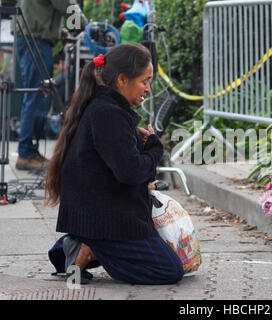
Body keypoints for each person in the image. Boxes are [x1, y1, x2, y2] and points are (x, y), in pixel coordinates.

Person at [45, 43, 184, 285]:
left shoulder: (103, 106)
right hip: (105, 217)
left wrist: (141, 155)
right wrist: (154, 148)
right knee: (169, 271)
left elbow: (115, 166)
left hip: (96, 209)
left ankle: (74, 246)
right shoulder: (109, 113)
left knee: (168, 261)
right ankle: (90, 247)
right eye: (144, 81)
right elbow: (129, 172)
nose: (149, 89)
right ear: (121, 79)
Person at [14, 0, 87, 170]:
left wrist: (54, 30)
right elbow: (68, 6)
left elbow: (40, 9)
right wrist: (83, 25)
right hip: (36, 41)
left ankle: (28, 151)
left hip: (32, 38)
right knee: (37, 96)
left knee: (35, 96)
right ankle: (26, 154)